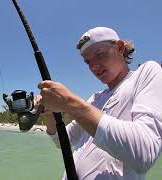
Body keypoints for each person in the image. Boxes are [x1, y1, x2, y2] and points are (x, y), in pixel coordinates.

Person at [35, 27, 162, 180]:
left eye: (99, 54)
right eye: (88, 61)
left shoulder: (146, 73)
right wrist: (49, 115)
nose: (93, 66)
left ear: (120, 48)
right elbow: (63, 141)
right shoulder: (96, 98)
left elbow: (144, 154)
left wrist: (70, 103)